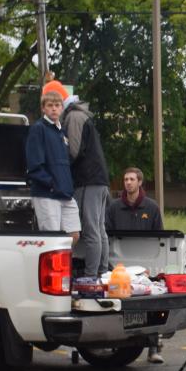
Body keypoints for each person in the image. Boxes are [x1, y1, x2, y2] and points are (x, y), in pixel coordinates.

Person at [105, 167, 166, 363]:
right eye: (125, 179)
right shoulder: (114, 207)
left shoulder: (152, 207)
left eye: (132, 179)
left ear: (140, 182)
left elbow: (159, 237)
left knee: (152, 307)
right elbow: (107, 235)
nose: (128, 183)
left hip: (146, 265)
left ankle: (154, 349)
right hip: (120, 267)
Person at [52, 80, 110, 277]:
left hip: (88, 180)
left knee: (91, 229)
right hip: (98, 180)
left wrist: (59, 168)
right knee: (99, 228)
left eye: (54, 104)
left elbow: (74, 151)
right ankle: (101, 273)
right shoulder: (81, 114)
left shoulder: (74, 117)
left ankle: (91, 276)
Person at [25, 88, 80, 244]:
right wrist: (51, 184)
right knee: (52, 240)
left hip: (65, 193)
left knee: (74, 235)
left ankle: (66, 267)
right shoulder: (38, 128)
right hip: (46, 193)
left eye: (57, 105)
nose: (54, 108)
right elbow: (34, 165)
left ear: (62, 108)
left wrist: (67, 185)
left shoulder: (61, 132)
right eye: (50, 105)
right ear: (43, 108)